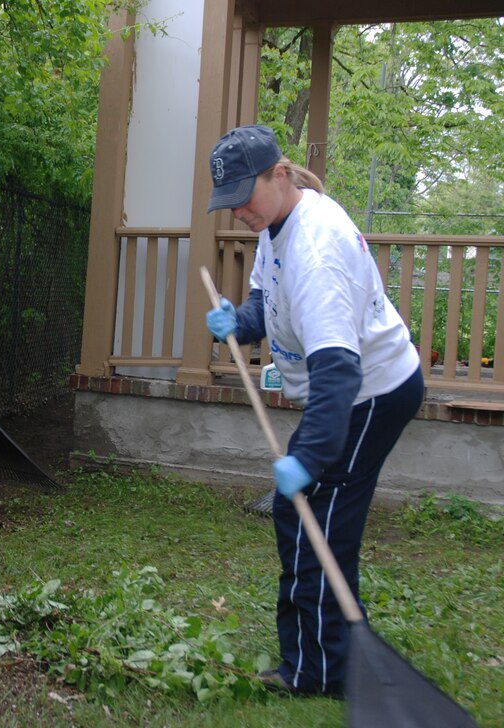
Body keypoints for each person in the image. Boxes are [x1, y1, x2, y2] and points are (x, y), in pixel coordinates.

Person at [204, 125, 423, 696]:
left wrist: (310, 458)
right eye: (228, 203)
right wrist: (240, 322)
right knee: (309, 516)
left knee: (309, 517)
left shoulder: (316, 250)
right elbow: (265, 300)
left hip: (368, 392)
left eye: (243, 198)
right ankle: (332, 653)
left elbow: (338, 375)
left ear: (279, 173)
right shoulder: (278, 225)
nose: (239, 213)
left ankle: (318, 670)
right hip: (349, 390)